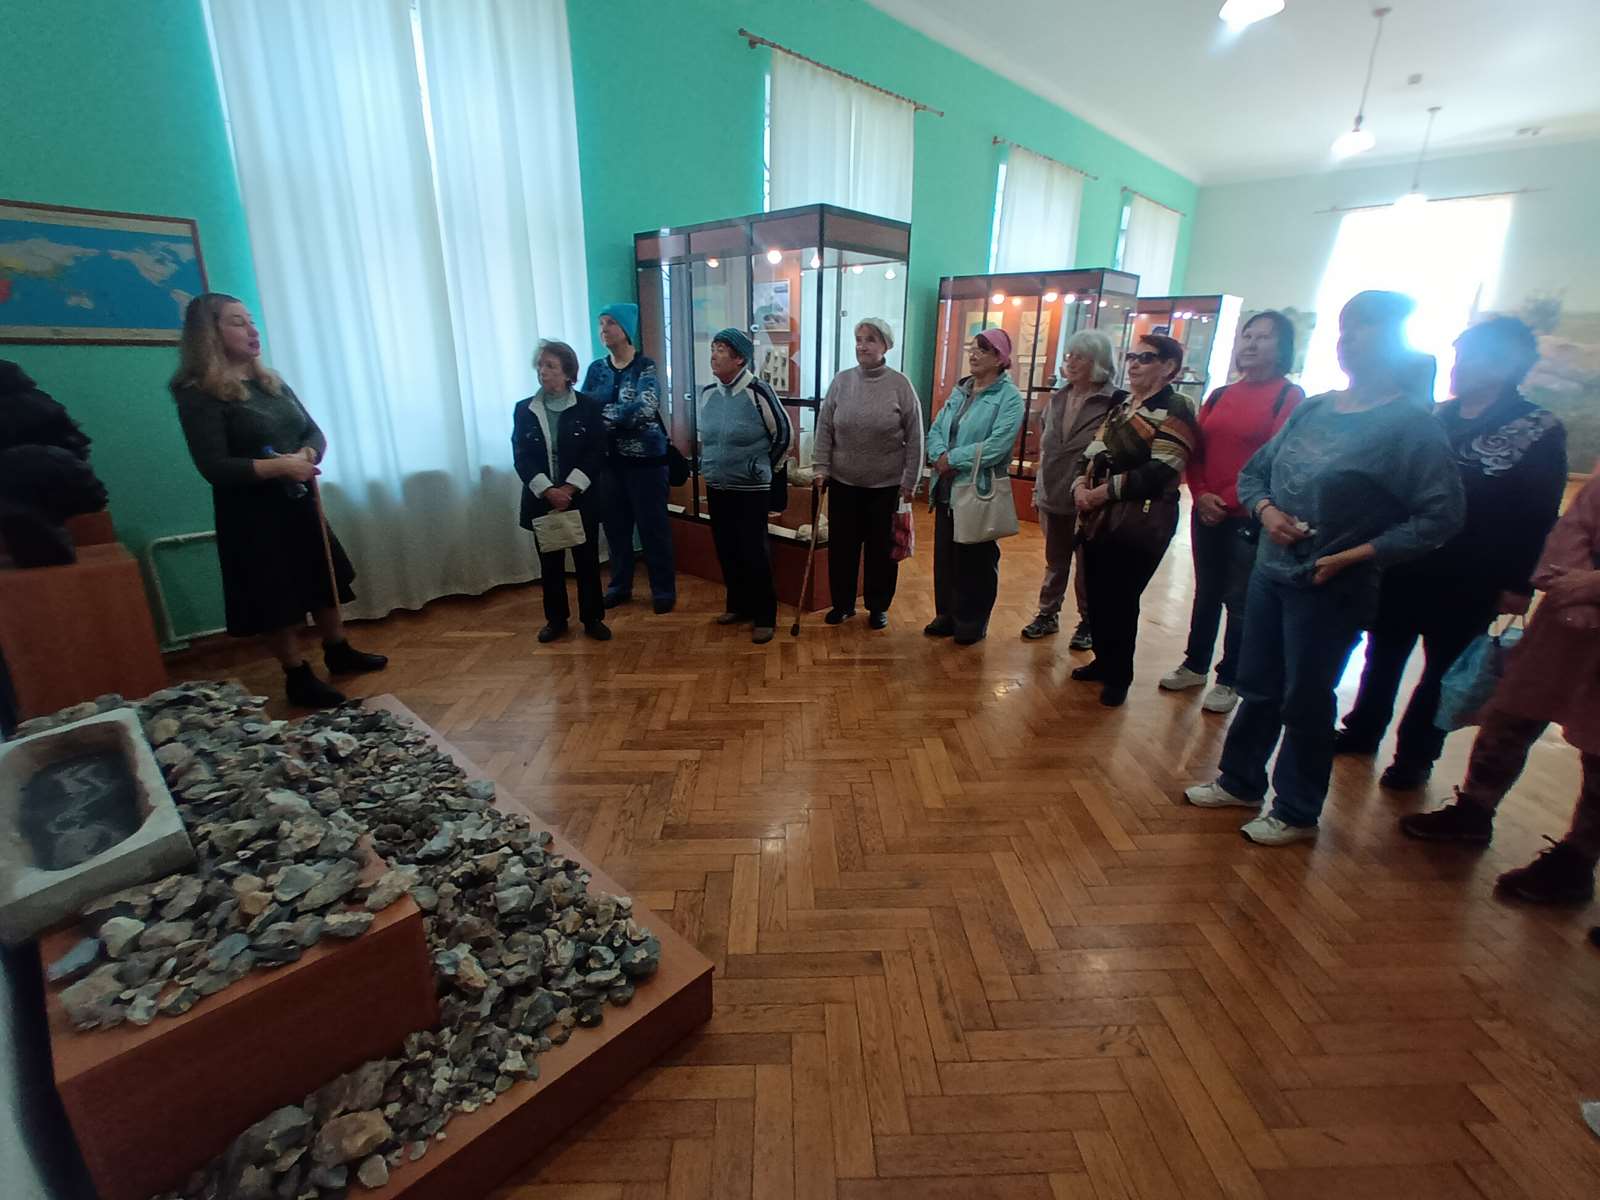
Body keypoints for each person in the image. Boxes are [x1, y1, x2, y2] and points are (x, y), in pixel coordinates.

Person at [1184, 291, 1465, 845]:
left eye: (1365, 327)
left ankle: (1296, 809)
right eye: (1345, 326)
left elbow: (1442, 515)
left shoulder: (1411, 425)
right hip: (1271, 571)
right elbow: (1255, 474)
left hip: (1332, 583)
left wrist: (1358, 554)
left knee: (1307, 698)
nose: (1349, 338)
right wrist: (1267, 513)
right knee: (1257, 684)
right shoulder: (1315, 408)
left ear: (1395, 339)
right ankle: (1240, 780)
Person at [1336, 317, 1566, 789]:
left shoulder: (1538, 427)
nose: (1457, 367)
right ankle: (1361, 730)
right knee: (1384, 654)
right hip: (1409, 562)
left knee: (1443, 670)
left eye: (1469, 358)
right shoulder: (1437, 416)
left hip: (1474, 574)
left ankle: (1415, 757)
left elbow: (1538, 512)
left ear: (1504, 365)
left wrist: (1518, 584)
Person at [172, 293, 386, 709]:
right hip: (252, 513)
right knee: (274, 593)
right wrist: (280, 467)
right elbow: (214, 466)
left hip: (298, 501)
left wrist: (307, 454)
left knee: (322, 576)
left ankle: (338, 649)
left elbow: (313, 431)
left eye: (251, 321)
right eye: (238, 323)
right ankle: (296, 674)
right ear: (209, 334)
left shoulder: (271, 382)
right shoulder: (199, 394)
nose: (252, 331)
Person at [1398, 472, 1600, 905]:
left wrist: (1592, 587)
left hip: (1581, 598)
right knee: (1512, 712)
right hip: (1566, 618)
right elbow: (1576, 524)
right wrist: (1575, 589)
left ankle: (1577, 862)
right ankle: (1474, 810)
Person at [1161, 312, 1305, 713]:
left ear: (1282, 347)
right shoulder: (1221, 394)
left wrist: (1226, 499)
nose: (1252, 343)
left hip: (1248, 515)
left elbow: (1275, 459)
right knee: (1206, 590)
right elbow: (1195, 448)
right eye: (1248, 335)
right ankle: (1195, 664)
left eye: (1264, 337)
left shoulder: (1289, 396)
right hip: (1207, 507)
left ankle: (1230, 678)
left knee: (1239, 599)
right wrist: (1202, 493)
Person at [1069, 334, 1199, 705]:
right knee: (1097, 593)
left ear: (1169, 366)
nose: (1135, 364)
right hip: (1099, 516)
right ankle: (1104, 660)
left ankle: (1119, 676)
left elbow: (1163, 467)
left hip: (1141, 520)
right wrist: (1079, 485)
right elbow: (1092, 451)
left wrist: (1101, 492)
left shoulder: (1176, 406)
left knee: (1121, 597)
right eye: (1132, 357)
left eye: (1146, 357)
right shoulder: (1124, 405)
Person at [813, 317, 923, 630]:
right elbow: (825, 427)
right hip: (843, 483)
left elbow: (916, 436)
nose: (862, 346)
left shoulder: (900, 384)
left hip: (885, 486)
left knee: (881, 551)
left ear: (885, 345)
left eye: (870, 340)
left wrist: (910, 481)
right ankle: (843, 604)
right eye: (859, 339)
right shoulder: (842, 381)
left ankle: (878, 606)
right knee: (842, 549)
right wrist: (820, 467)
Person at [1020, 330, 1126, 645]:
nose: (1072, 362)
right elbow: (1046, 450)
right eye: (1070, 355)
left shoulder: (1115, 402)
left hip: (1091, 499)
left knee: (1088, 565)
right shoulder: (1058, 398)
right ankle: (1047, 613)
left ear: (1099, 362)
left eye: (1080, 357)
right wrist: (1038, 490)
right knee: (1055, 561)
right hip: (1053, 491)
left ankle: (1088, 622)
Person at [924, 328, 1025, 646]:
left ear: (1000, 358)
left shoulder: (1009, 398)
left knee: (976, 559)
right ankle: (947, 614)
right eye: (972, 347)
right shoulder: (961, 390)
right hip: (946, 485)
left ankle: (972, 620)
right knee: (946, 556)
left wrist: (952, 458)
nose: (974, 353)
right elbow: (936, 428)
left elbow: (997, 446)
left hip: (977, 489)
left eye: (983, 349)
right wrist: (938, 455)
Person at [512, 340, 611, 644]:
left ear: (568, 373)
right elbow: (521, 456)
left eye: (550, 366)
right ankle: (556, 620)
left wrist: (569, 488)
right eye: (540, 365)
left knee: (587, 562)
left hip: (580, 497)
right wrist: (548, 490)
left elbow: (596, 452)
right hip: (543, 499)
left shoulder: (588, 407)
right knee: (550, 564)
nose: (542, 371)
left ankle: (592, 618)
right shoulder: (524, 409)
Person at [580, 303, 676, 614]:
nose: (603, 329)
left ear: (625, 329)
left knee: (653, 530)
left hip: (647, 464)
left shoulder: (645, 366)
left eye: (610, 323)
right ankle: (619, 586)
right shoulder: (596, 369)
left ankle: (663, 590)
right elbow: (584, 411)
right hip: (609, 464)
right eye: (601, 323)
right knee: (616, 530)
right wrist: (613, 417)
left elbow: (644, 410)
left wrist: (603, 417)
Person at [699, 328, 792, 645]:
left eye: (721, 349)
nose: (714, 355)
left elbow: (784, 434)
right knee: (726, 548)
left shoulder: (758, 391)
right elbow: (707, 438)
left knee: (754, 551)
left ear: (739, 358)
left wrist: (761, 468)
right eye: (713, 348)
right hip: (718, 484)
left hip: (751, 489)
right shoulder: (708, 393)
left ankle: (765, 615)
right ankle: (738, 605)